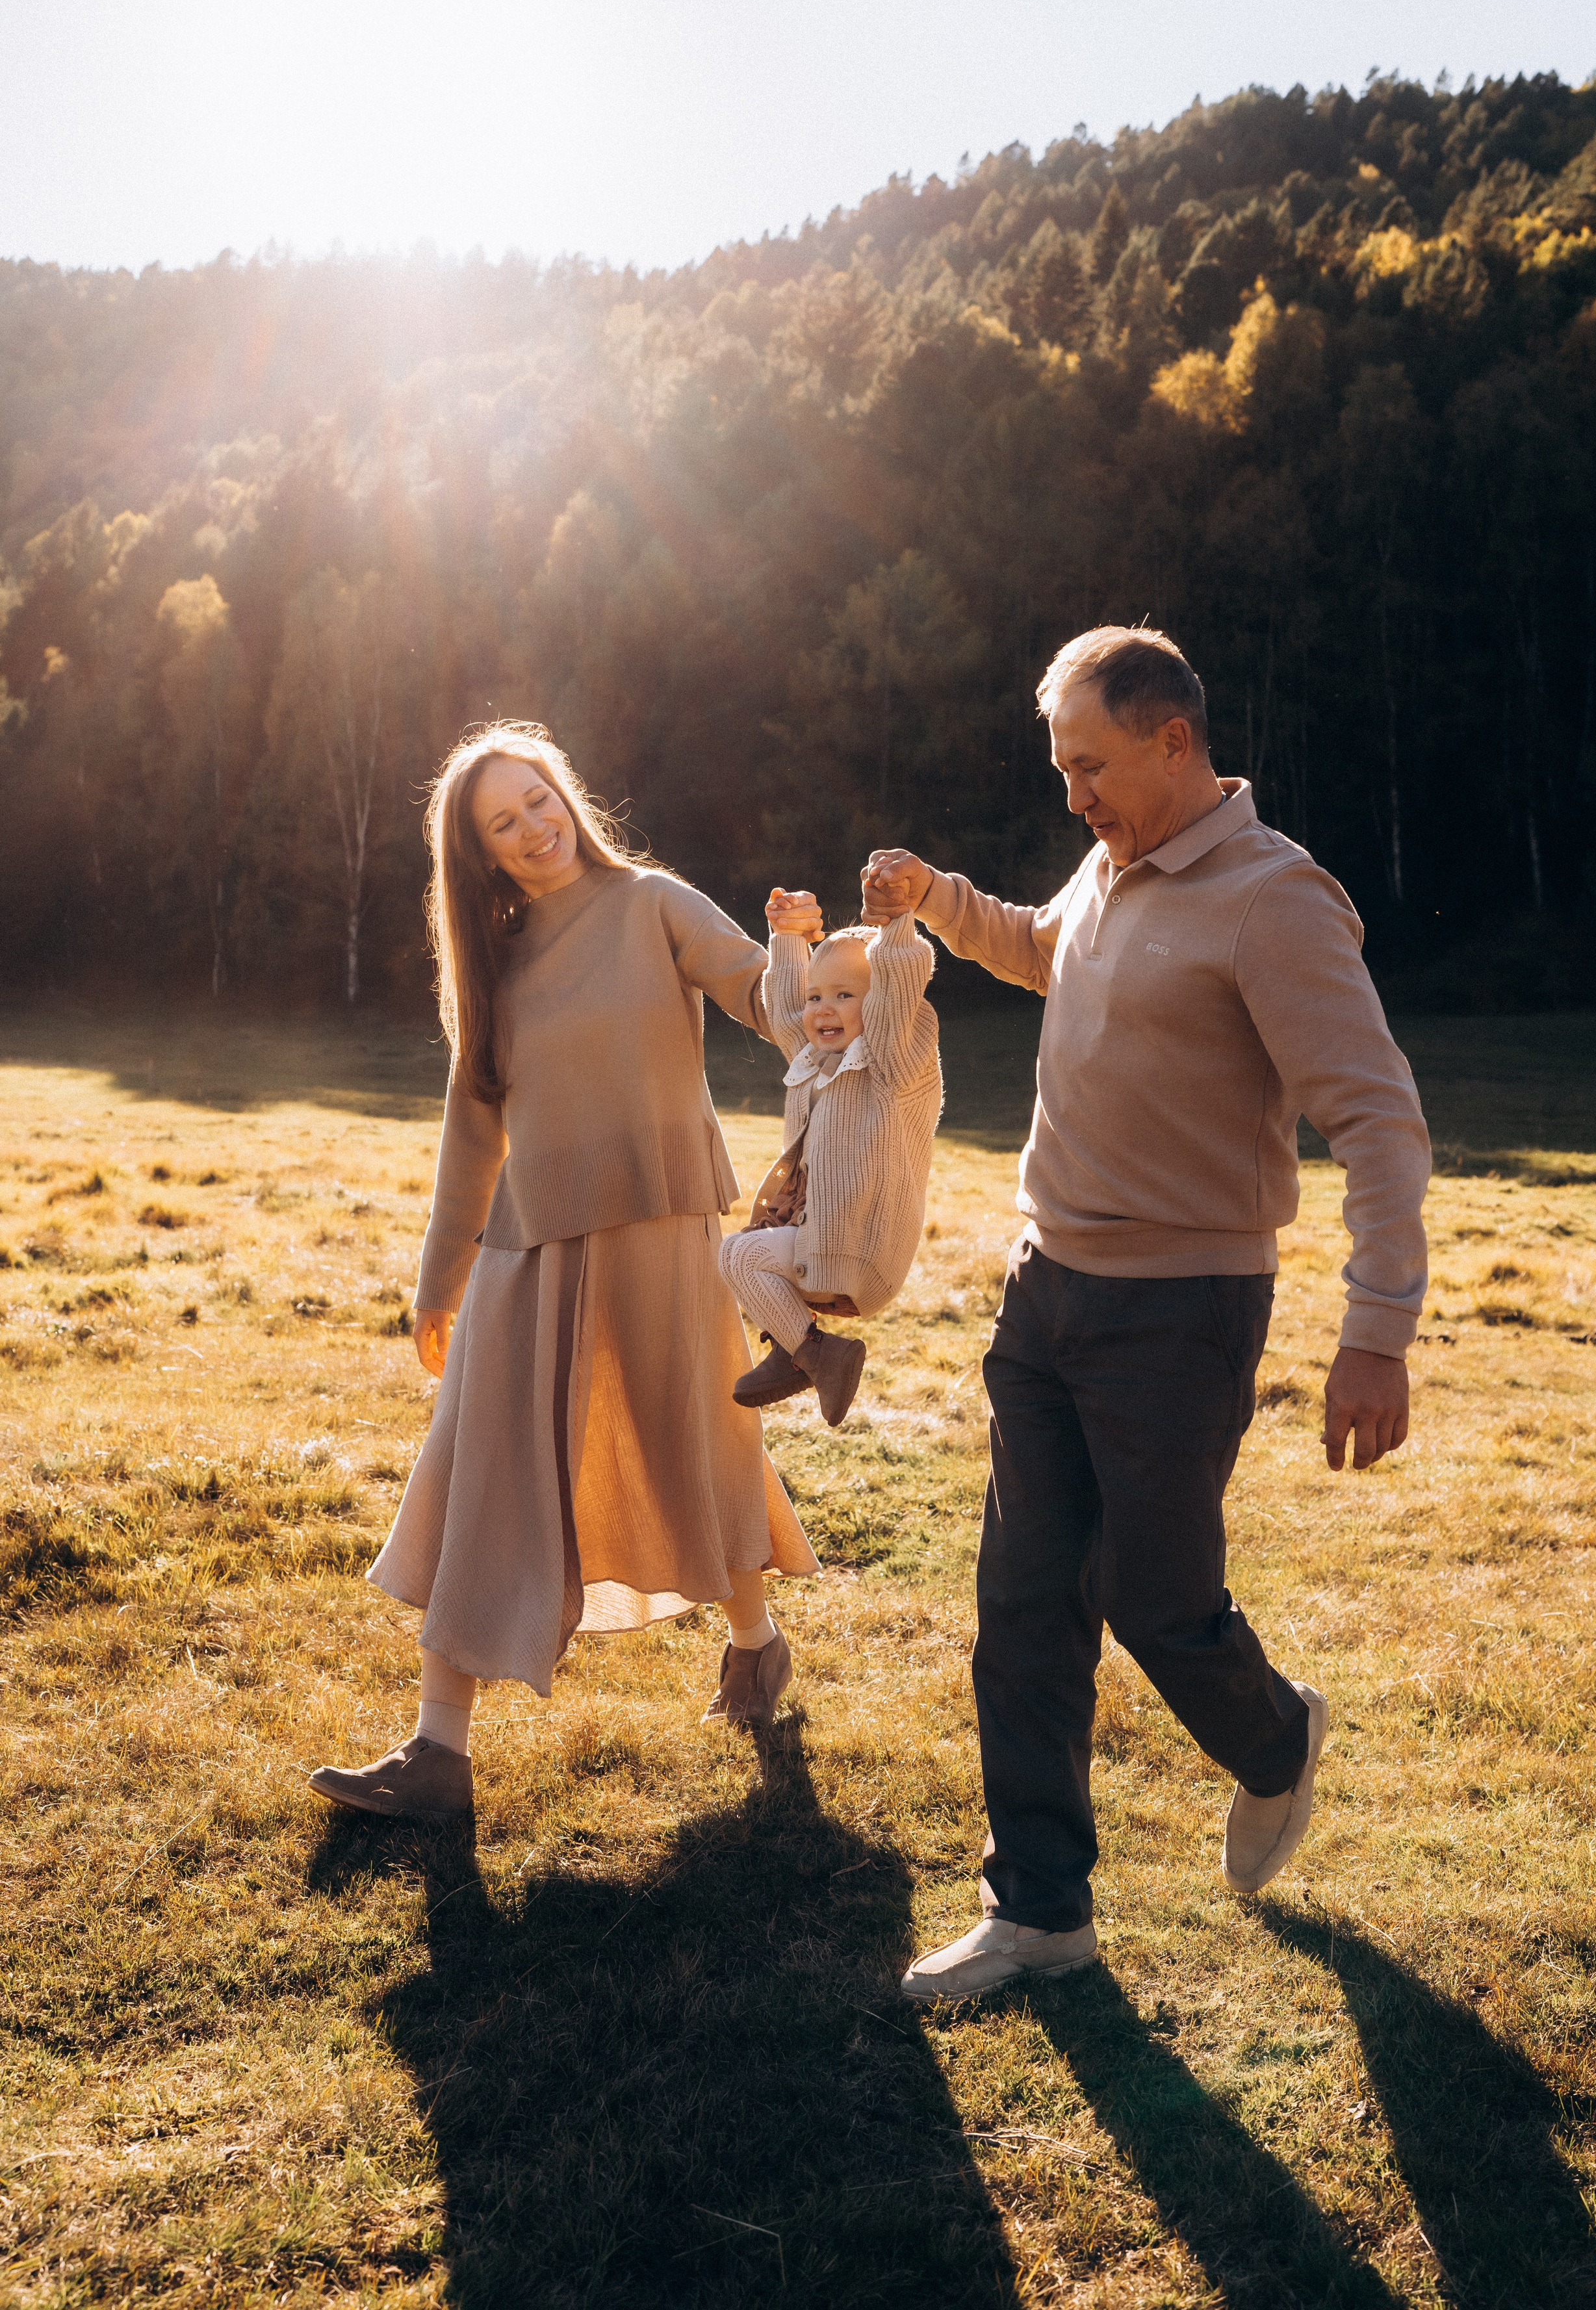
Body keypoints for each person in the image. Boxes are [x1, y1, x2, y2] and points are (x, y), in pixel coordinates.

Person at [862, 626, 1430, 2000]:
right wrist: (937, 895)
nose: (1074, 795)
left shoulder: (1270, 900)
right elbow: (1043, 950)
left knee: (1157, 1603)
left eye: (1090, 765)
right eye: (1062, 769)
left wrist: (1375, 1331)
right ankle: (1038, 1911)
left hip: (1179, 1310)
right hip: (1043, 1286)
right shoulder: (1109, 864)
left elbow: (1376, 1118)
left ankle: (1276, 1737)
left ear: (1173, 742)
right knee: (1022, 1607)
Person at [307, 722, 819, 1821]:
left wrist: (797, 952)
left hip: (661, 1225)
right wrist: (438, 1280)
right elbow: (469, 1128)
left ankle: (755, 1643)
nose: (534, 827)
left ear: (564, 793)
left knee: (691, 1443)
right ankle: (438, 1752)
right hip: (528, 1242)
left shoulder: (653, 903)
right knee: (479, 1461)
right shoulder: (492, 964)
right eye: (505, 823)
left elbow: (768, 1006)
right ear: (482, 854)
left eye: (538, 799)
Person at [719, 900, 943, 1427]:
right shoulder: (816, 1062)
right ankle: (803, 1353)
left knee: (740, 1255)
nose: (823, 1008)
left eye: (845, 995)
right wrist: (789, 937)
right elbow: (784, 1008)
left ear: (884, 1001)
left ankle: (819, 1355)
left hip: (861, 1249)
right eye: (817, 996)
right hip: (823, 1247)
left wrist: (896, 923)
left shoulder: (893, 1063)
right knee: (737, 1257)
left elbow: (900, 988)